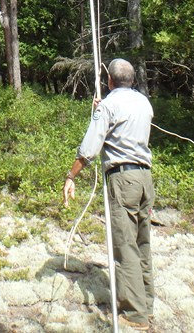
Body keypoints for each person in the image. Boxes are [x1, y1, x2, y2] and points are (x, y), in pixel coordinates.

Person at [63, 58, 154, 331]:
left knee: (124, 245)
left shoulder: (110, 105)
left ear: (110, 82)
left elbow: (90, 148)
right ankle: (146, 305)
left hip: (123, 179)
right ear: (132, 80)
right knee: (141, 244)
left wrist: (71, 176)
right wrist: (103, 111)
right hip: (145, 178)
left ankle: (135, 315)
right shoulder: (144, 103)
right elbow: (123, 124)